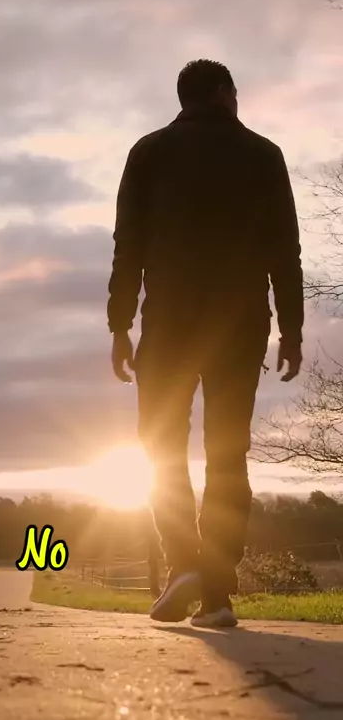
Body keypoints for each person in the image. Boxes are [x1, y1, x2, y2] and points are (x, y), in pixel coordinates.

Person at [107, 59, 303, 628]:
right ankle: (216, 592)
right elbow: (284, 250)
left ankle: (183, 564)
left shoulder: (148, 152)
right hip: (240, 326)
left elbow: (128, 245)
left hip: (168, 324)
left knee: (161, 448)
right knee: (227, 453)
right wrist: (291, 330)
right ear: (223, 93)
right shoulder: (263, 155)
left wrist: (120, 325)